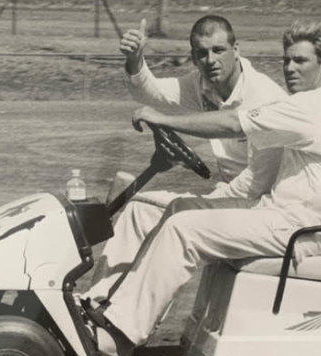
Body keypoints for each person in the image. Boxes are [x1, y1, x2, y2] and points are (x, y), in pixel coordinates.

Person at [85, 20, 321, 356]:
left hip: (298, 228)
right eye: (286, 60)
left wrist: (162, 120)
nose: (289, 68)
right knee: (163, 212)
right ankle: (103, 307)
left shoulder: (306, 107)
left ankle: (117, 336)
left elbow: (232, 126)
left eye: (300, 61)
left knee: (184, 227)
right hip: (289, 218)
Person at [83, 15, 286, 303]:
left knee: (163, 213)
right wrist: (135, 59)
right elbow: (152, 92)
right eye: (201, 53)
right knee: (140, 210)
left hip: (260, 205)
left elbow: (259, 181)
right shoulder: (202, 85)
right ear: (193, 57)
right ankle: (100, 302)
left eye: (218, 50)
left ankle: (117, 313)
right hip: (230, 196)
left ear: (236, 49)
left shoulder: (263, 97)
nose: (210, 60)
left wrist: (204, 201)